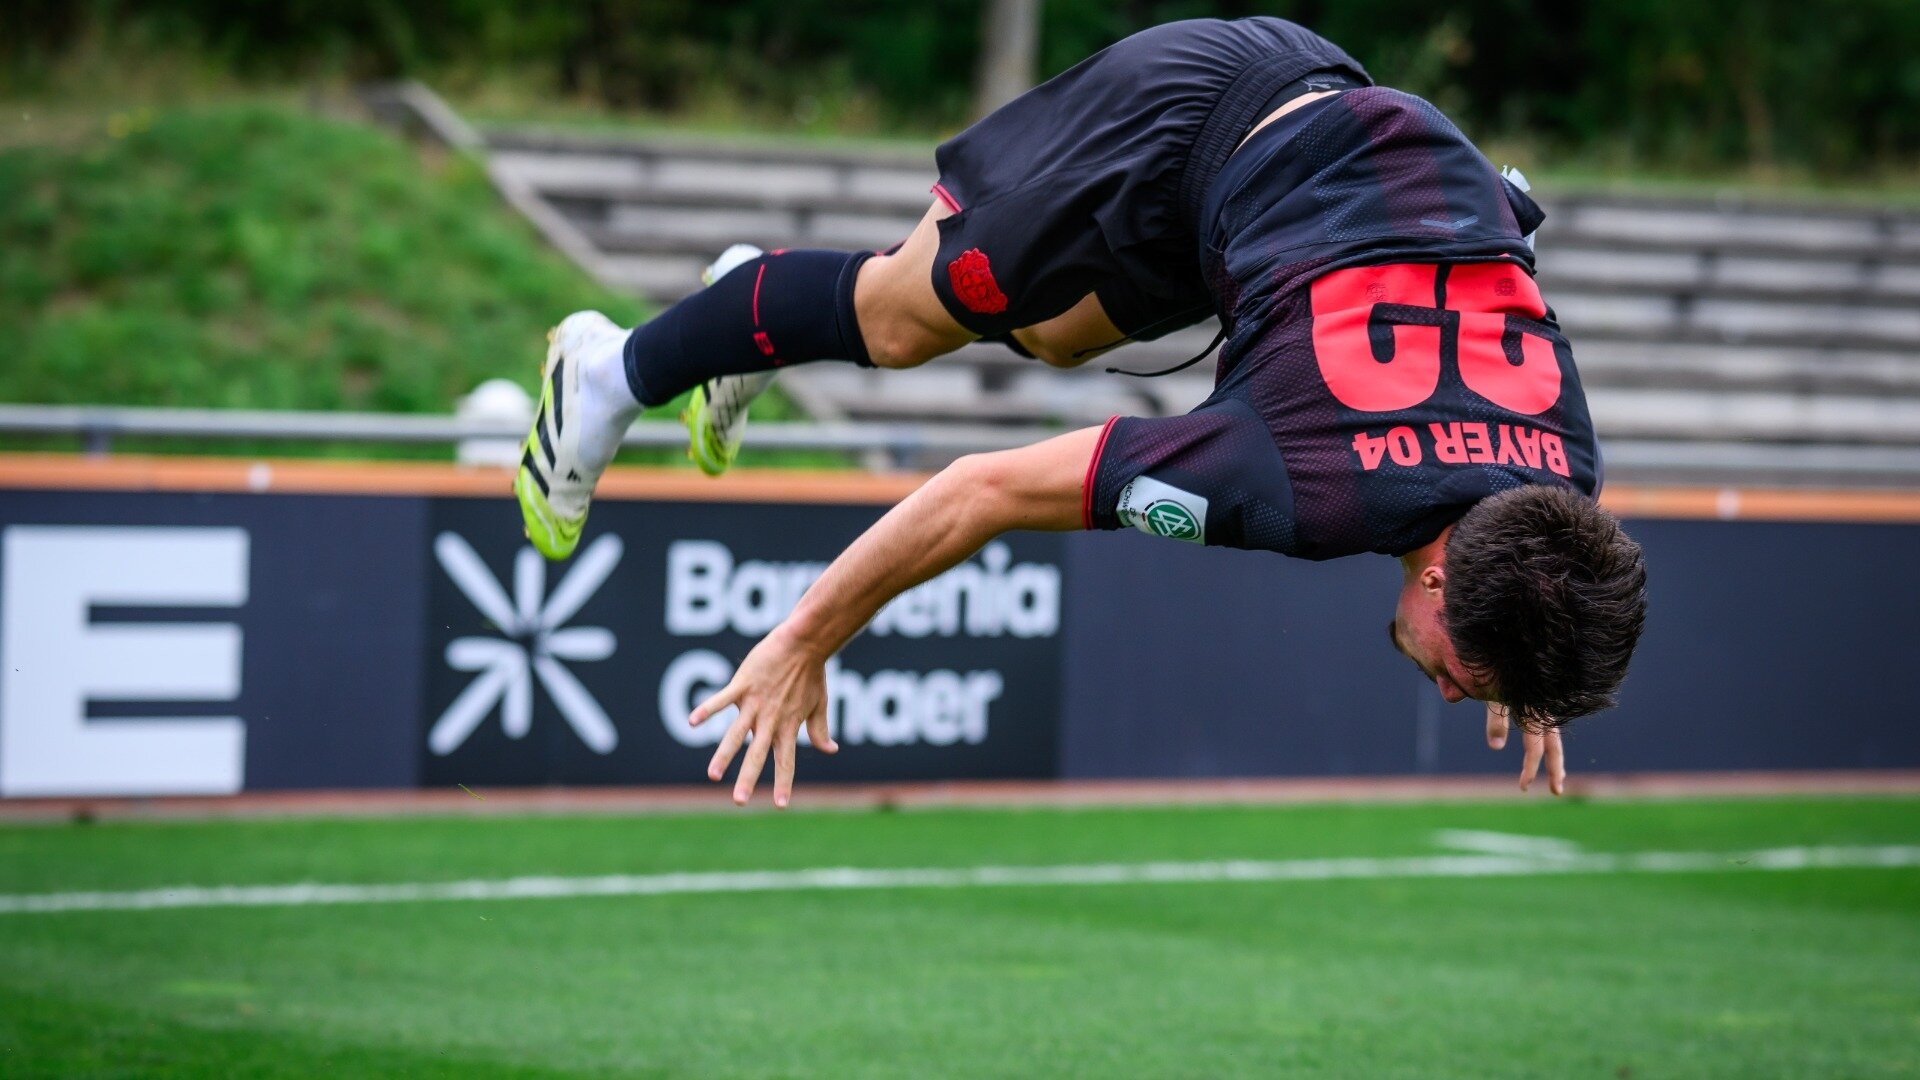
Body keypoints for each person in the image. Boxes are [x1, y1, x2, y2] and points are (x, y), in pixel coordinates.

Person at [514, 16, 1649, 808]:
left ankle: (745, 313)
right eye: (1470, 672)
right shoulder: (1281, 482)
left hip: (1325, 171)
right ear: (1447, 576)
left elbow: (1537, 558)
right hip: (1187, 114)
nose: (1453, 690)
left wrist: (1532, 665)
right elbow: (982, 490)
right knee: (907, 320)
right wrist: (805, 643)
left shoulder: (1565, 491)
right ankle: (611, 369)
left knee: (1059, 334)